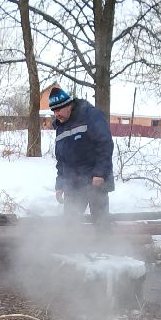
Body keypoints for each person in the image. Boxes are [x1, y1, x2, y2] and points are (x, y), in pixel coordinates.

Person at [48, 86, 112, 224]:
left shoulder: (90, 115)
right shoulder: (60, 127)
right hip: (73, 183)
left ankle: (105, 244)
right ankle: (74, 245)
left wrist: (100, 173)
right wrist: (60, 184)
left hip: (95, 180)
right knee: (70, 224)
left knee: (101, 223)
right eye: (53, 111)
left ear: (68, 105)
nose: (56, 114)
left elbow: (105, 144)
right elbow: (61, 160)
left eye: (58, 110)